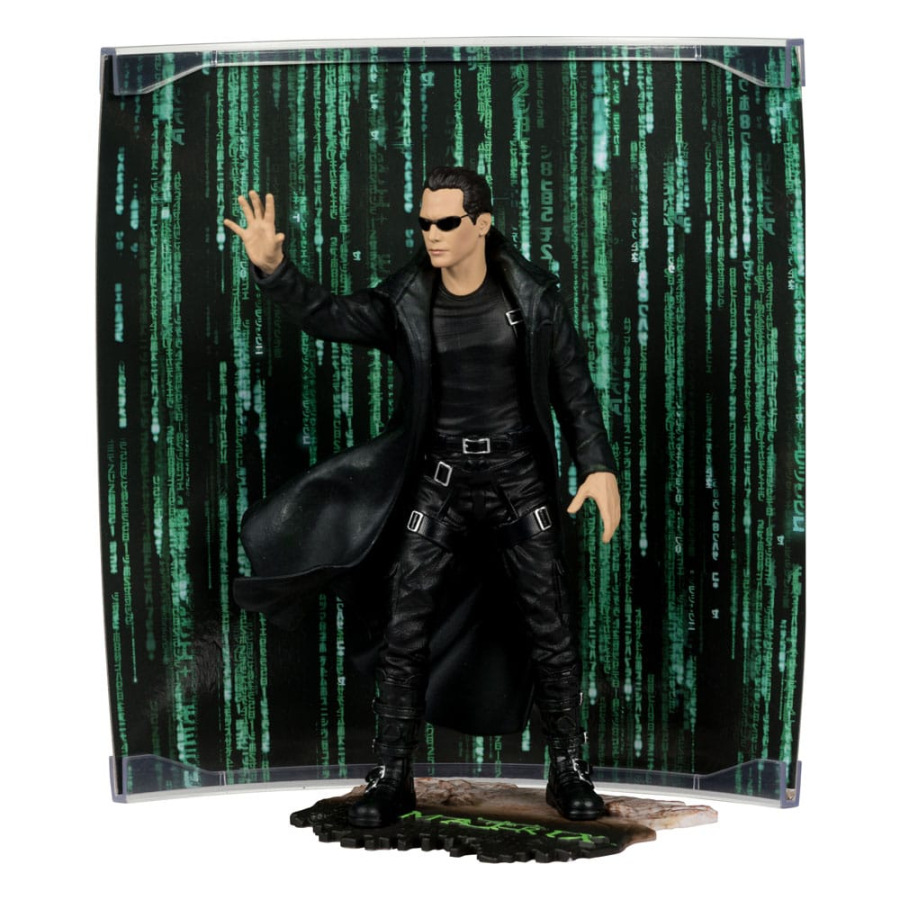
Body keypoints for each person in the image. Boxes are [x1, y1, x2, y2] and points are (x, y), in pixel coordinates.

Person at [224, 167, 621, 827]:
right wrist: (274, 269)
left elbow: (573, 387)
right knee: (404, 630)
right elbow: (330, 316)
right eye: (424, 223)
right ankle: (392, 775)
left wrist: (597, 466)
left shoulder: (532, 298)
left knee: (549, 627)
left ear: (482, 225)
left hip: (519, 482)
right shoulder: (407, 299)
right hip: (438, 484)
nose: (432, 235)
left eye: (447, 223)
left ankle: (569, 770)